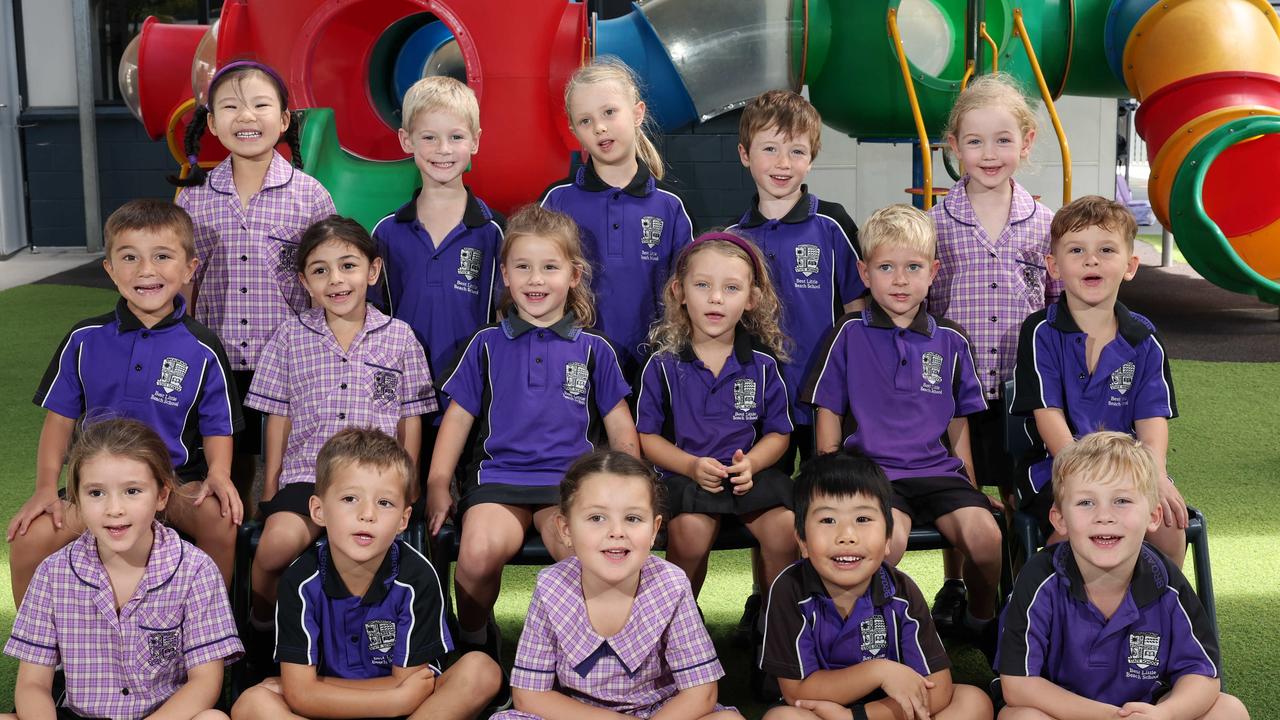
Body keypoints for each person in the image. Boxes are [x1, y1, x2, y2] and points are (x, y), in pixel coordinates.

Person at [425, 204, 639, 677]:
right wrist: (439, 480)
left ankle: (579, 662)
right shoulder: (485, 344)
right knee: (478, 555)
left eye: (549, 267)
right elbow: (458, 421)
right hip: (499, 481)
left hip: (570, 487)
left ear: (574, 275)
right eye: (522, 266)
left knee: (582, 558)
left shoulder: (594, 349)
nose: (535, 279)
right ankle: (476, 639)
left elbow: (621, 427)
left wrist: (629, 486)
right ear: (505, 274)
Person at [7, 199, 242, 603]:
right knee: (29, 538)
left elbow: (217, 425)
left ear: (189, 268)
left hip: (173, 485)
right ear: (110, 270)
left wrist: (219, 474)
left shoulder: (203, 348)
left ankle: (207, 628)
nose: (146, 270)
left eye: (162, 256)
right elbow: (59, 422)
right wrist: (47, 487)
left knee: (220, 521)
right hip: (99, 488)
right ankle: (44, 645)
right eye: (129, 257)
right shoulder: (84, 339)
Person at [803, 204, 1004, 651]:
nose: (899, 279)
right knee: (885, 546)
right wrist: (830, 484)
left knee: (987, 537)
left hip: (937, 474)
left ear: (932, 272)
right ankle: (872, 636)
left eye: (912, 267)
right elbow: (828, 414)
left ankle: (979, 618)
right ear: (865, 272)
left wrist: (969, 486)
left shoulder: (951, 340)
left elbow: (958, 426)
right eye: (886, 267)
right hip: (873, 476)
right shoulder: (846, 334)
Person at [244, 216, 435, 636]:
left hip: (377, 482)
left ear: (373, 270)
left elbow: (411, 416)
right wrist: (272, 484)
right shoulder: (290, 336)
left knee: (370, 557)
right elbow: (279, 415)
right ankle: (261, 625)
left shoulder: (400, 337)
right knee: (275, 547)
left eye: (348, 266)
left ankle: (366, 638)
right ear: (305, 281)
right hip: (307, 476)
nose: (336, 280)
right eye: (320, 270)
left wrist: (411, 481)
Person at [231, 427, 501, 720]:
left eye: (384, 503)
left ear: (403, 519)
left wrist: (310, 691)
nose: (367, 514)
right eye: (350, 499)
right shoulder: (300, 580)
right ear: (318, 510)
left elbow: (412, 687)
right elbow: (398, 693)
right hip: (341, 710)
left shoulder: (417, 577)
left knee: (481, 671)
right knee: (252, 703)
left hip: (380, 708)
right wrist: (394, 700)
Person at [728, 89, 866, 634]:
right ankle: (768, 603)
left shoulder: (830, 228)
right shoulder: (733, 239)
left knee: (826, 508)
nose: (782, 165)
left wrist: (854, 387)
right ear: (744, 155)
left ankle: (827, 610)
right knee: (768, 509)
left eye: (797, 152)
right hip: (759, 405)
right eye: (769, 150)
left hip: (823, 402)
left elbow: (857, 312)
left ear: (812, 157)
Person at [927, 72, 1060, 630]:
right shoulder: (934, 224)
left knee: (1013, 487)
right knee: (958, 488)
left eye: (1003, 140)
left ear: (1026, 143)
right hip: (950, 392)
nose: (989, 153)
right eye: (975, 141)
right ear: (952, 146)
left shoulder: (1045, 226)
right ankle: (957, 582)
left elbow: (1057, 307)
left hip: (1020, 395)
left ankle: (1017, 582)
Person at [995, 432, 1248, 720]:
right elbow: (1017, 686)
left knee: (1229, 710)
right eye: (1086, 503)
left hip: (1146, 711)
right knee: (1020, 717)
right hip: (1068, 713)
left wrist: (1163, 714)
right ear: (1060, 519)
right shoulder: (1040, 579)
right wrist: (1111, 717)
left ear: (1153, 516)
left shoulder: (1166, 582)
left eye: (1122, 501)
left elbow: (1203, 676)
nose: (1105, 515)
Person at [4, 418, 242, 720]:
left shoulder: (196, 571)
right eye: (96, 493)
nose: (114, 509)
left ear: (161, 496)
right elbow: (32, 684)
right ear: (75, 498)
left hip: (163, 716)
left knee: (213, 719)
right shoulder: (53, 573)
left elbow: (205, 683)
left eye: (132, 491)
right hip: (79, 715)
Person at [174, 60, 337, 502]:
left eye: (260, 105)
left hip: (289, 363)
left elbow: (328, 280)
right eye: (230, 107)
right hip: (216, 363)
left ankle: (274, 563)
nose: (246, 117)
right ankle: (230, 569)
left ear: (284, 119)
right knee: (225, 473)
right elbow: (184, 285)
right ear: (211, 123)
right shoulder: (194, 197)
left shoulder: (311, 195)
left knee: (281, 473)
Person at [493, 450, 742, 720]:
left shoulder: (672, 584)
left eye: (633, 518)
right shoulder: (551, 586)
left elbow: (701, 692)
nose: (617, 532)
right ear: (566, 530)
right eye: (597, 518)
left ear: (654, 530)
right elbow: (529, 695)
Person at [1011, 195, 1186, 566]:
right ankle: (1069, 619)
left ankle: (1159, 617)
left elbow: (1152, 428)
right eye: (1076, 250)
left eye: (1106, 249)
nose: (1092, 259)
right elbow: (1049, 417)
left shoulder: (1145, 342)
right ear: (1053, 266)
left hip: (1128, 474)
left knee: (1170, 528)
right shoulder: (1039, 331)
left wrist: (1155, 476)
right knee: (1076, 531)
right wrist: (1091, 482)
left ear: (1130, 265)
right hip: (1057, 470)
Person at [760, 451, 993, 720]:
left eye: (862, 519)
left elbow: (938, 687)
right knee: (783, 718)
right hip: (822, 712)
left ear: (887, 540)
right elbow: (797, 691)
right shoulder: (789, 589)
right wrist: (878, 671)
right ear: (801, 541)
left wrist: (858, 717)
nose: (846, 536)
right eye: (827, 520)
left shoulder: (901, 590)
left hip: (887, 712)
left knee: (972, 701)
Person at [636, 231, 797, 598]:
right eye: (703, 285)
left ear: (753, 298)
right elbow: (648, 438)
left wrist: (752, 464)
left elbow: (779, 434)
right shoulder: (662, 364)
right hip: (685, 477)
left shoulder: (763, 365)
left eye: (731, 288)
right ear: (679, 291)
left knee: (784, 528)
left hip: (749, 476)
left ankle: (774, 626)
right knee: (690, 535)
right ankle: (680, 622)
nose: (715, 298)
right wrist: (691, 466)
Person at [370, 75, 505, 494]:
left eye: (455, 137)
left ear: (475, 142)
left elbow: (505, 318)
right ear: (406, 140)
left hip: (471, 398)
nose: (443, 150)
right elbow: (374, 320)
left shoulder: (495, 232)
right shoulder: (387, 233)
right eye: (429, 137)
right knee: (402, 499)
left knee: (461, 506)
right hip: (403, 398)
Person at [541, 58, 695, 372]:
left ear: (637, 113)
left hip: (650, 370)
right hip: (573, 367)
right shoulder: (557, 201)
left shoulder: (669, 208)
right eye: (585, 121)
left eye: (609, 112)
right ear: (574, 131)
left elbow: (686, 298)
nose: (599, 127)